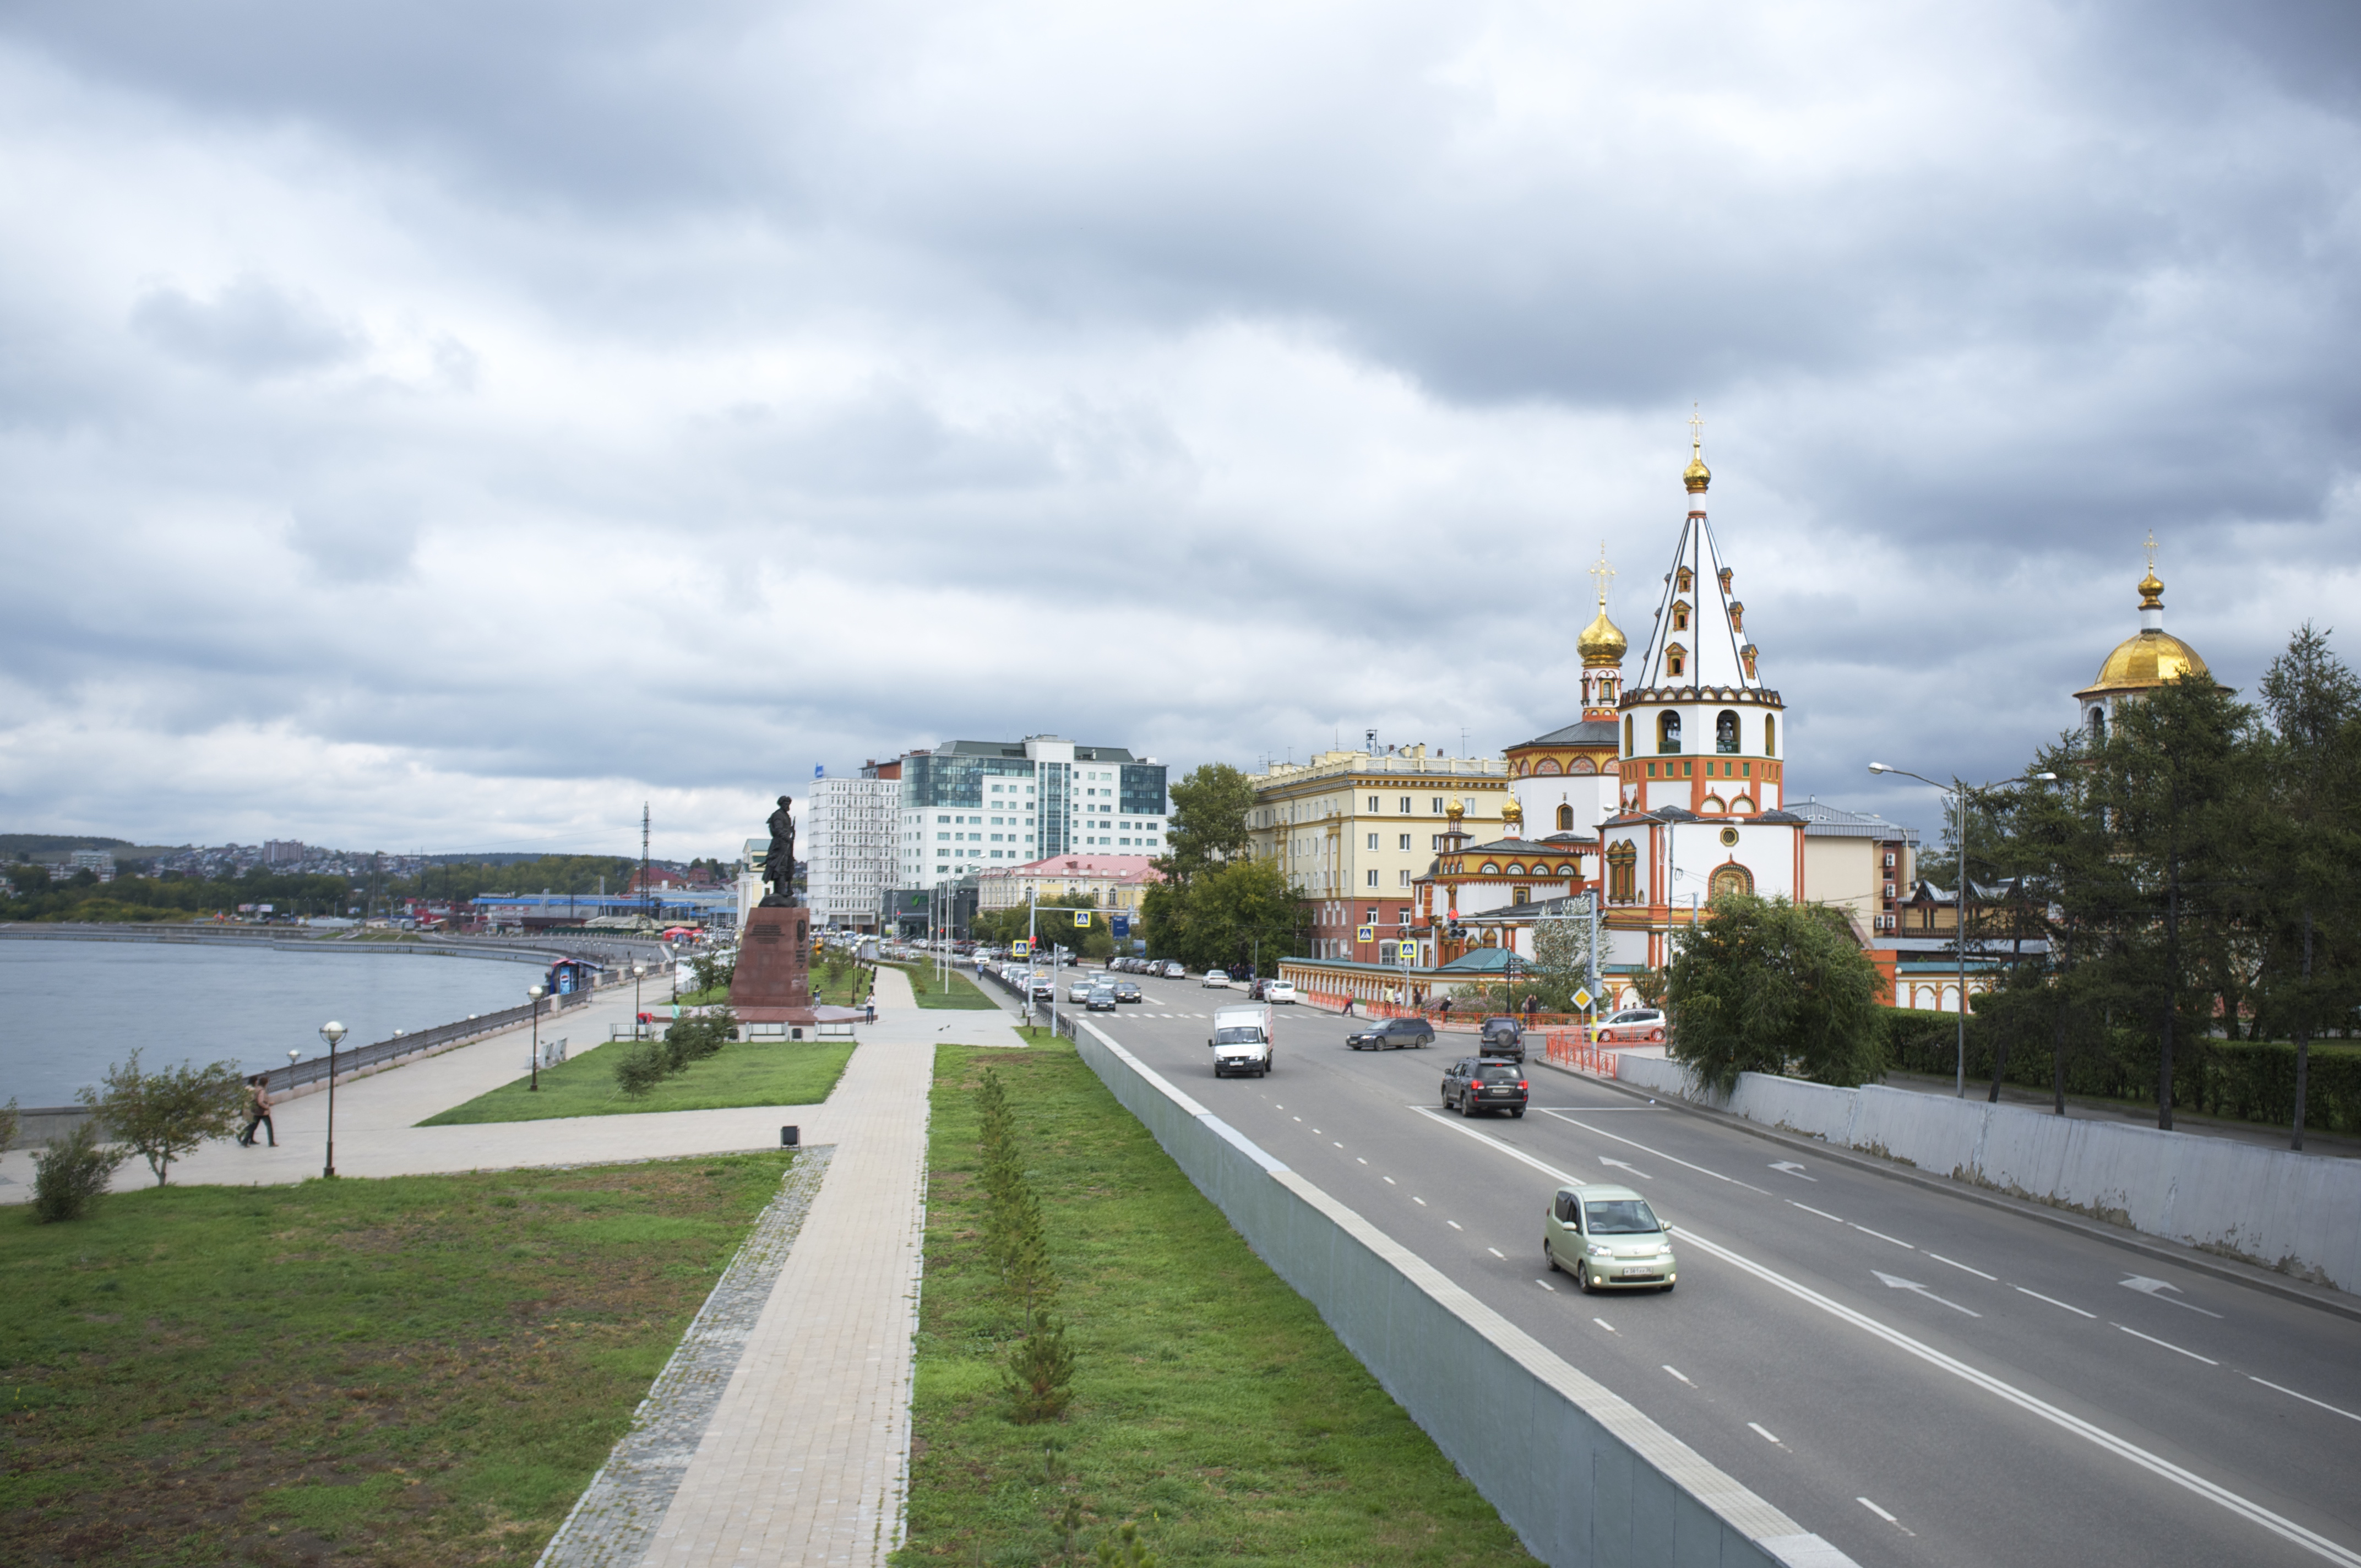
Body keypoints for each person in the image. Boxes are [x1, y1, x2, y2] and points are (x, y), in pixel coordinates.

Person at [237, 1074, 276, 1147]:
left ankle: (246, 1141)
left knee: (253, 1126)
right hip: (262, 1111)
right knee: (268, 1126)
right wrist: (267, 1106)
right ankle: (271, 1143)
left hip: (255, 1111)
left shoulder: (255, 1089)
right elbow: (260, 1101)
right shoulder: (261, 1091)